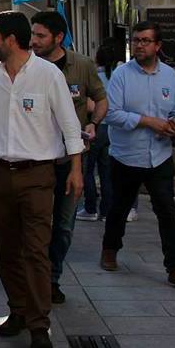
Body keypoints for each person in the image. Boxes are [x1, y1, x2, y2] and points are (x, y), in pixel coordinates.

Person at [0, 11, 83, 348]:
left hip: (38, 176)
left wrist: (76, 169)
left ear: (11, 41)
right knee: (4, 251)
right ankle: (18, 308)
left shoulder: (47, 76)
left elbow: (69, 124)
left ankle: (38, 325)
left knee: (35, 251)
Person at [99, 21, 175, 292]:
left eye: (145, 41)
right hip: (127, 156)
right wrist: (148, 121)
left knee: (167, 211)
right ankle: (110, 249)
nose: (139, 45)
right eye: (136, 40)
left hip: (160, 155)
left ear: (158, 46)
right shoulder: (121, 75)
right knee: (119, 207)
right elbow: (112, 114)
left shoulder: (169, 76)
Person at [30, 11, 107, 305]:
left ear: (58, 38)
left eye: (40, 36)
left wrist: (93, 124)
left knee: (63, 225)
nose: (34, 41)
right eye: (32, 35)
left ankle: (52, 278)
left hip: (71, 160)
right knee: (37, 225)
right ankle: (34, 281)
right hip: (37, 160)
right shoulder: (28, 67)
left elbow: (101, 100)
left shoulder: (82, 65)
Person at [78, 44, 117, 222]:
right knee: (106, 172)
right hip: (113, 129)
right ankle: (107, 210)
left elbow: (90, 105)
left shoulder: (94, 77)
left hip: (95, 127)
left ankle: (90, 207)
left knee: (87, 170)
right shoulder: (118, 77)